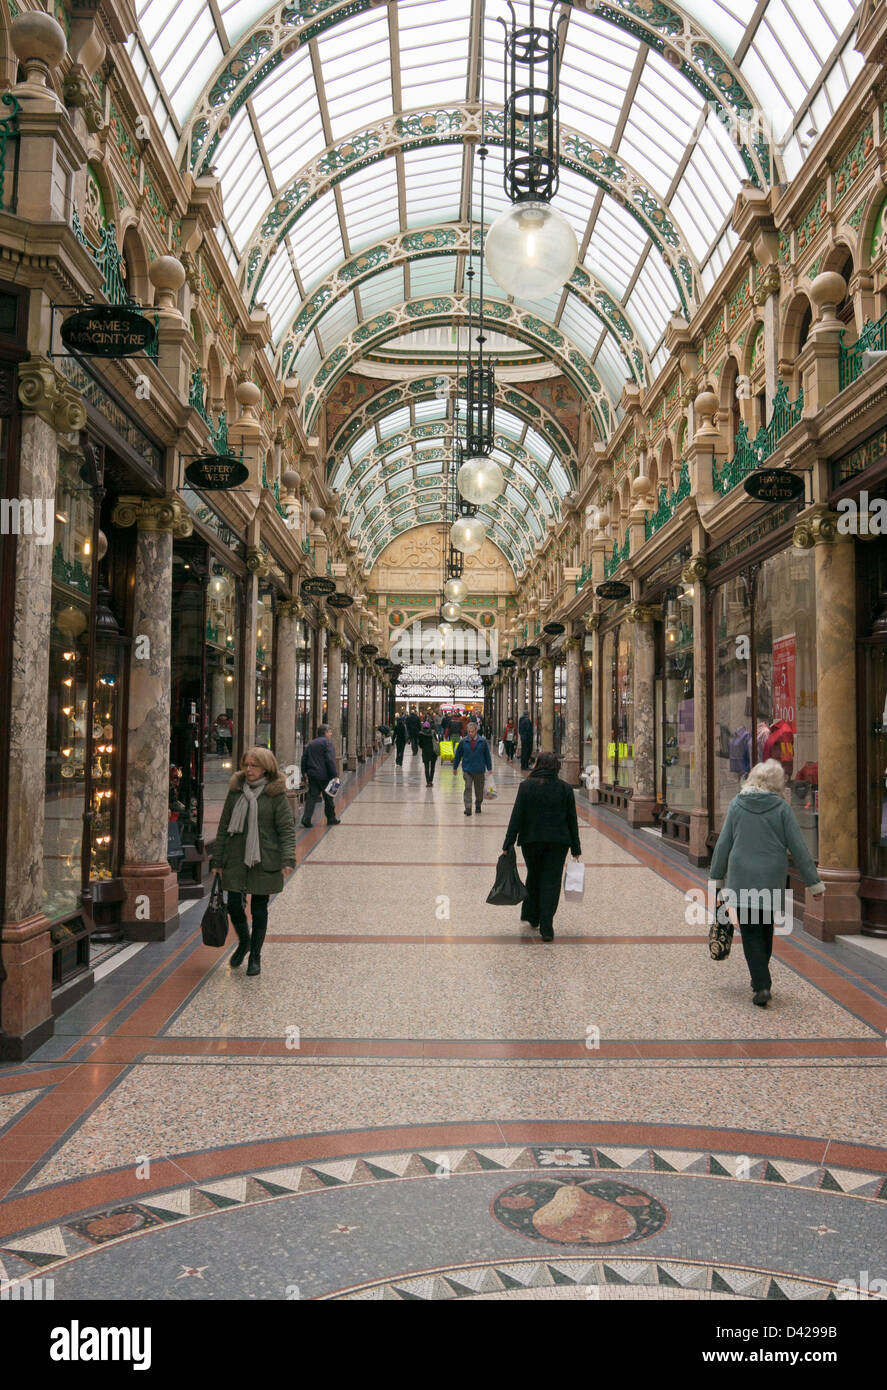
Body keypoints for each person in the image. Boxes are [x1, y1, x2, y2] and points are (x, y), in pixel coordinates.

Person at [709, 759, 825, 1007]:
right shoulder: (781, 809)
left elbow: (723, 844)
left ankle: (762, 984)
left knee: (750, 932)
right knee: (765, 928)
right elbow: (799, 848)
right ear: (776, 783)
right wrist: (813, 883)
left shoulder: (737, 805)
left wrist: (716, 878)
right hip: (771, 878)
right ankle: (760, 979)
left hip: (742, 877)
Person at [210, 747, 296, 976]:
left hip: (264, 857)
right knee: (234, 906)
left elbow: (286, 829)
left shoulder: (275, 794)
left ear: (266, 768)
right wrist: (217, 859)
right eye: (246, 764)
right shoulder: (236, 791)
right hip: (236, 857)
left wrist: (288, 858)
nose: (248, 770)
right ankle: (244, 942)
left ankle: (255, 956)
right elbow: (223, 825)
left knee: (259, 910)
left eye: (253, 765)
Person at [502, 751, 581, 942]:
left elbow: (517, 816)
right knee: (551, 882)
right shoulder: (565, 789)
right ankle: (547, 926)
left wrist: (508, 843)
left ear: (538, 765)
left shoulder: (526, 786)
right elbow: (572, 820)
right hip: (558, 843)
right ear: (556, 767)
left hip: (532, 841)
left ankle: (532, 915)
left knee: (535, 876)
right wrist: (576, 848)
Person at [300, 723, 341, 828]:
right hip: (324, 776)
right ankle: (331, 818)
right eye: (330, 731)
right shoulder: (327, 743)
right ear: (325, 732)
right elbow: (330, 760)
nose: (331, 734)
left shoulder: (311, 743)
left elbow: (304, 758)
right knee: (328, 798)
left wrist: (304, 772)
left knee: (311, 798)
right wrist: (334, 775)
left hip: (312, 775)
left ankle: (306, 818)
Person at [453, 717, 492, 816]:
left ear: (476, 731)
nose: (470, 733)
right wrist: (455, 767)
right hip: (467, 769)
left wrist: (489, 768)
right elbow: (458, 755)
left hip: (479, 769)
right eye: (469, 731)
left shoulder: (482, 741)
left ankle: (478, 804)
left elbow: (487, 755)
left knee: (479, 791)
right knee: (468, 788)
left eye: (472, 731)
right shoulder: (463, 742)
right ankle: (468, 808)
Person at [418, 717, 439, 787]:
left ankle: (428, 782)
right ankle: (431, 781)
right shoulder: (432, 732)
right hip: (433, 752)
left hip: (425, 752)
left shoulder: (421, 733)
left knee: (426, 767)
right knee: (432, 767)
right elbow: (436, 741)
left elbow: (420, 744)